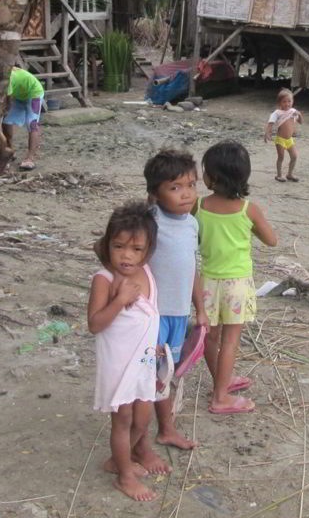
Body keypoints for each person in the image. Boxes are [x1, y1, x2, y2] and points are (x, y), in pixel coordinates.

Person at [196, 141, 277, 413]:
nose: (201, 175)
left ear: (214, 177)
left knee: (210, 338)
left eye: (204, 170)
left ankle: (221, 380)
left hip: (207, 283)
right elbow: (272, 240)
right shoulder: (247, 210)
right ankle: (221, 396)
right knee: (231, 341)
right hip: (237, 285)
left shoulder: (199, 207)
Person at [88, 201, 161, 502]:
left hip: (143, 358)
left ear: (147, 251)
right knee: (123, 418)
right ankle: (125, 476)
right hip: (118, 361)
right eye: (118, 247)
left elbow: (150, 313)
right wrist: (119, 301)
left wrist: (154, 346)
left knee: (143, 419)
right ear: (108, 246)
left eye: (135, 249)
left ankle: (117, 460)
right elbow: (95, 324)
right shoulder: (103, 280)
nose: (126, 256)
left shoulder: (147, 272)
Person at [142, 149, 208, 456]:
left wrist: (201, 309)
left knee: (164, 374)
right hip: (152, 316)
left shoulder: (191, 224)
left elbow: (192, 268)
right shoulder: (149, 222)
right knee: (146, 377)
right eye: (175, 187)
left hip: (179, 315)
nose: (186, 194)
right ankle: (138, 443)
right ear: (154, 193)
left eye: (191, 185)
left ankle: (166, 431)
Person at [2, 64, 44, 171]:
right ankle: (9, 151)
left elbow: (7, 101)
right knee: (6, 122)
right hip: (18, 95)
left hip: (34, 93)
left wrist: (3, 112)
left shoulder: (7, 77)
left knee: (32, 123)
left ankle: (30, 158)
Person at [263, 88, 302, 182]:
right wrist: (268, 133)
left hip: (289, 140)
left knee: (294, 156)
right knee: (281, 157)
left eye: (289, 101)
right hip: (280, 139)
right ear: (279, 103)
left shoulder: (293, 111)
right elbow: (270, 123)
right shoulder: (277, 113)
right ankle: (279, 175)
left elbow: (300, 122)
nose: (287, 104)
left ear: (292, 101)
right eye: (284, 101)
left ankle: (290, 174)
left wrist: (299, 115)